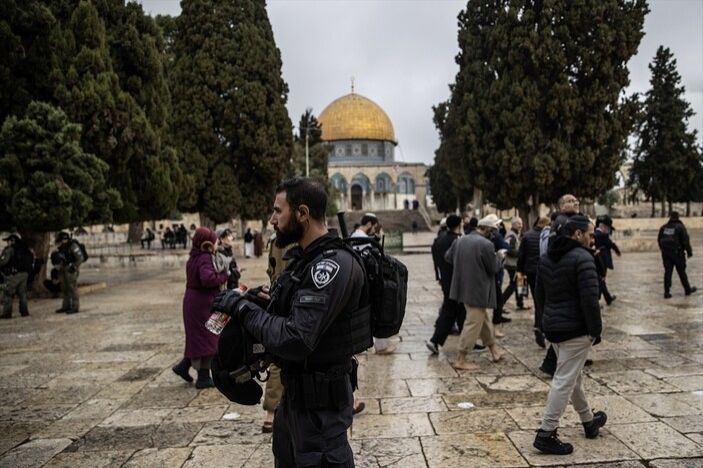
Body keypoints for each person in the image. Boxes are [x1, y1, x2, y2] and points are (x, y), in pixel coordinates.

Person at [211, 177, 369, 467]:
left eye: (278, 211)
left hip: (320, 414)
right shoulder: (305, 260)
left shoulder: (330, 266)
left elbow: (296, 339)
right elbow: (292, 314)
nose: (271, 219)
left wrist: (243, 309)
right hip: (295, 404)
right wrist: (260, 301)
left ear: (302, 214)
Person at [533, 215, 606, 455]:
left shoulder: (546, 257)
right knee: (564, 380)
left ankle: (588, 420)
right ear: (577, 234)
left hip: (554, 327)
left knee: (572, 376)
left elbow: (539, 295)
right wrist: (595, 330)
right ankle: (546, 432)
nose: (592, 238)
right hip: (575, 329)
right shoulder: (583, 258)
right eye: (589, 234)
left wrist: (544, 323)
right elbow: (590, 301)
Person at [444, 214, 505, 370]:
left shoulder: (460, 240)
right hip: (478, 290)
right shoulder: (486, 245)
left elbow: (448, 258)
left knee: (483, 320)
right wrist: (499, 257)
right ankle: (460, 359)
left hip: (463, 288)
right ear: (487, 230)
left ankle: (494, 351)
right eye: (494, 230)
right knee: (472, 324)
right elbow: (494, 268)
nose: (495, 234)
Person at [172, 227, 228, 388]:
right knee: (209, 338)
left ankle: (183, 366)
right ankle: (203, 377)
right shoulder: (204, 257)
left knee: (198, 339)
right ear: (208, 243)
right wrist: (224, 275)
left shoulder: (194, 257)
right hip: (201, 304)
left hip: (194, 302)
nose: (217, 243)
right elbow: (207, 279)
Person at [350, 213, 396, 355]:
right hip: (367, 278)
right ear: (369, 224)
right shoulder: (362, 239)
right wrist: (378, 238)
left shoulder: (355, 235)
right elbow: (376, 256)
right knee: (377, 309)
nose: (374, 230)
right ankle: (381, 346)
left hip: (360, 278)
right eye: (374, 227)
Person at [426, 215, 471, 353]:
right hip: (458, 281)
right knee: (454, 311)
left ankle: (466, 342)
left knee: (457, 311)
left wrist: (438, 277)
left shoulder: (439, 240)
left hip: (445, 280)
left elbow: (436, 262)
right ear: (459, 225)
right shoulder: (458, 241)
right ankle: (435, 340)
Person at [518, 216, 551, 348]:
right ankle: (540, 327)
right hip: (544, 271)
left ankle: (539, 326)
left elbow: (521, 256)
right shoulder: (547, 236)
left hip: (530, 271)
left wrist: (520, 271)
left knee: (538, 300)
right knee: (545, 300)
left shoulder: (527, 235)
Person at [658, 212, 696, 298]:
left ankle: (666, 292)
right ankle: (687, 289)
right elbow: (685, 241)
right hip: (677, 253)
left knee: (668, 272)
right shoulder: (680, 227)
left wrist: (663, 250)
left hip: (666, 253)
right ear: (678, 217)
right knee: (682, 272)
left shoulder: (664, 227)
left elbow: (659, 239)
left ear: (670, 217)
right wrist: (689, 252)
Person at [0, 234, 33, 318]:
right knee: (22, 293)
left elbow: (4, 262)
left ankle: (7, 313)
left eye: (8, 241)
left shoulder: (10, 249)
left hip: (14, 274)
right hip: (24, 274)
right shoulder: (24, 248)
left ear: (12, 241)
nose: (7, 243)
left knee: (8, 292)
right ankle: (24, 312)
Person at [53, 232, 85, 314]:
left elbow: (80, 257)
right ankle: (66, 306)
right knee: (64, 288)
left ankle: (75, 307)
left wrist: (74, 266)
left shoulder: (72, 245)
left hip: (71, 269)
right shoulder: (62, 247)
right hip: (63, 268)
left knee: (72, 288)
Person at [502, 217, 529, 311]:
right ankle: (501, 303)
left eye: (521, 223)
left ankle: (520, 303)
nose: (521, 225)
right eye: (518, 223)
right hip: (513, 265)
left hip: (517, 264)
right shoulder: (511, 236)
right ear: (513, 224)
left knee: (520, 284)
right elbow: (509, 250)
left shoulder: (516, 234)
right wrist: (521, 253)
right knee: (514, 285)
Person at [593, 215, 620, 305]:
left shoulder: (595, 233)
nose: (609, 231)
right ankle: (597, 300)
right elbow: (611, 244)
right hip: (602, 260)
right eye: (608, 229)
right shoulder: (601, 235)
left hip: (598, 259)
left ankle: (607, 298)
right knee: (601, 279)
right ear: (603, 226)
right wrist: (617, 251)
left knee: (601, 280)